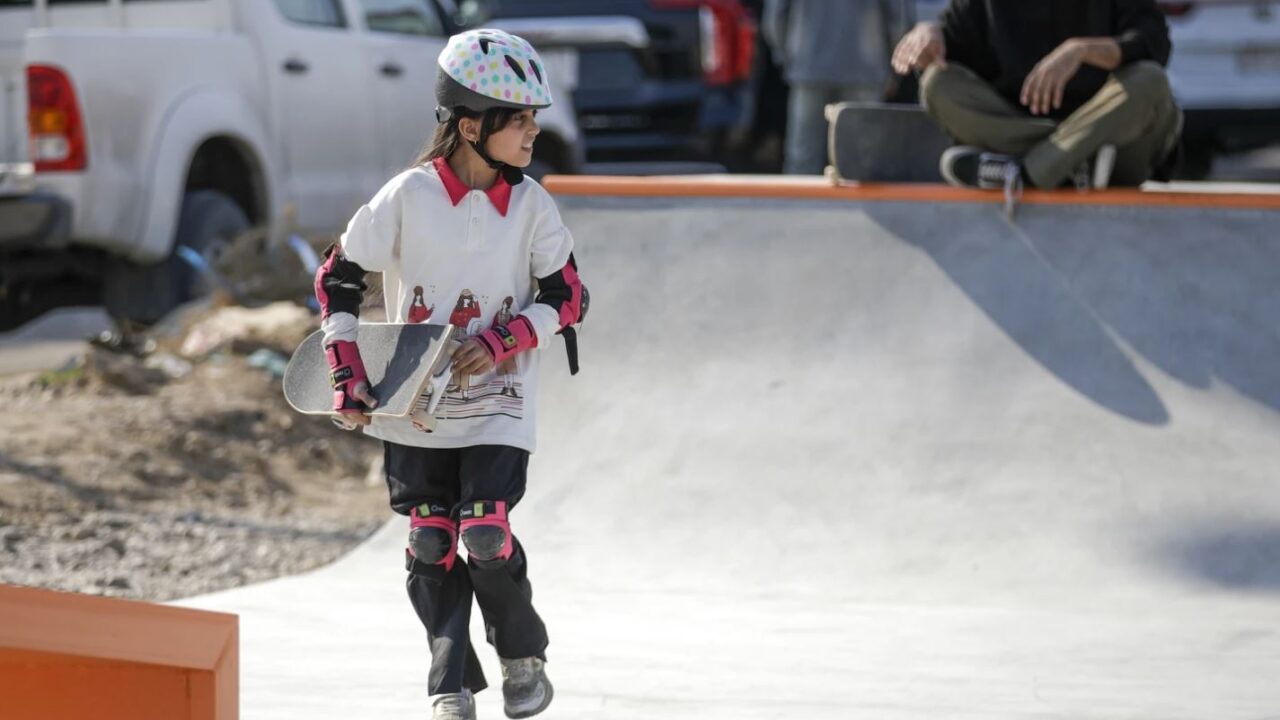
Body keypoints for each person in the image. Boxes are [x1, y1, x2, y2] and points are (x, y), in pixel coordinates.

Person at [313, 29, 586, 720]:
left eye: (533, 119)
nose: (532, 133)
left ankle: (522, 653)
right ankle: (450, 680)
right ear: (471, 125)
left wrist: (506, 338)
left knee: (486, 536)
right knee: (431, 542)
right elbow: (337, 280)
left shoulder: (532, 207)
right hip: (417, 403)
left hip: (500, 398)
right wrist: (347, 370)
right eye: (518, 119)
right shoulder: (406, 196)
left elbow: (569, 296)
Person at [892, 0, 1181, 196]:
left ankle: (1027, 172)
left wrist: (1081, 51)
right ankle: (1066, 165)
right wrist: (928, 33)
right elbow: (950, 46)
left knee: (1150, 81)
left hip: (1113, 148)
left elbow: (1153, 43)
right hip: (1030, 129)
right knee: (938, 83)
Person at [763, 0, 905, 174]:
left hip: (809, 68)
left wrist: (787, 57)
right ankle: (859, 203)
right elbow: (897, 20)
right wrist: (893, 67)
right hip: (866, 70)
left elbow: (775, 18)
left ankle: (800, 202)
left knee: (803, 157)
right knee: (862, 158)